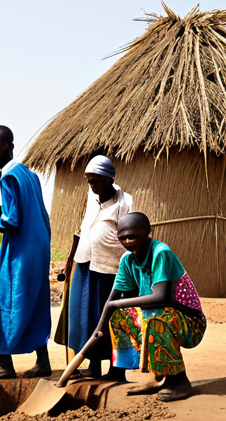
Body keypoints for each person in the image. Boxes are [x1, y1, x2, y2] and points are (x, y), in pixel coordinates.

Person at [0, 125, 52, 379]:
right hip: (38, 250)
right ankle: (43, 362)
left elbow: (11, 222)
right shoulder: (28, 174)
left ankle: (5, 365)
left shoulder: (8, 176)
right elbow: (24, 211)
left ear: (9, 145)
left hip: (20, 252)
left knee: (2, 299)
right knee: (34, 303)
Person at [94, 212, 206, 402]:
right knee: (119, 316)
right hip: (159, 313)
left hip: (189, 322)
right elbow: (113, 299)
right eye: (122, 237)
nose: (127, 241)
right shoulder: (127, 260)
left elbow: (160, 296)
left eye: (132, 236)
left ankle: (178, 381)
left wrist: (114, 304)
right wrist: (100, 327)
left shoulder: (161, 253)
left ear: (147, 233)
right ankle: (121, 372)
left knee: (157, 318)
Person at [61, 155, 132, 379]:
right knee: (85, 318)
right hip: (85, 264)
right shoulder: (92, 198)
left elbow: (130, 233)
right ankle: (92, 367)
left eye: (95, 181)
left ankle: (117, 371)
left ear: (109, 180)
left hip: (110, 269)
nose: (91, 186)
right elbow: (82, 229)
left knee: (113, 319)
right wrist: (70, 260)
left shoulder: (125, 201)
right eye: (89, 181)